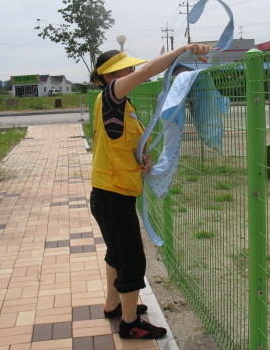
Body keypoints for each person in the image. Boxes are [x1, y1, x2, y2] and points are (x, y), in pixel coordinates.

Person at [89, 43, 211, 339]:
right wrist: (183, 51)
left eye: (131, 67)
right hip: (111, 194)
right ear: (109, 77)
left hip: (115, 192)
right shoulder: (111, 95)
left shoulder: (123, 106)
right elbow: (148, 71)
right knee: (131, 259)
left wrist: (141, 158)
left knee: (116, 253)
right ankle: (130, 324)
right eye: (124, 69)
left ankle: (113, 305)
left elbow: (124, 144)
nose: (132, 72)